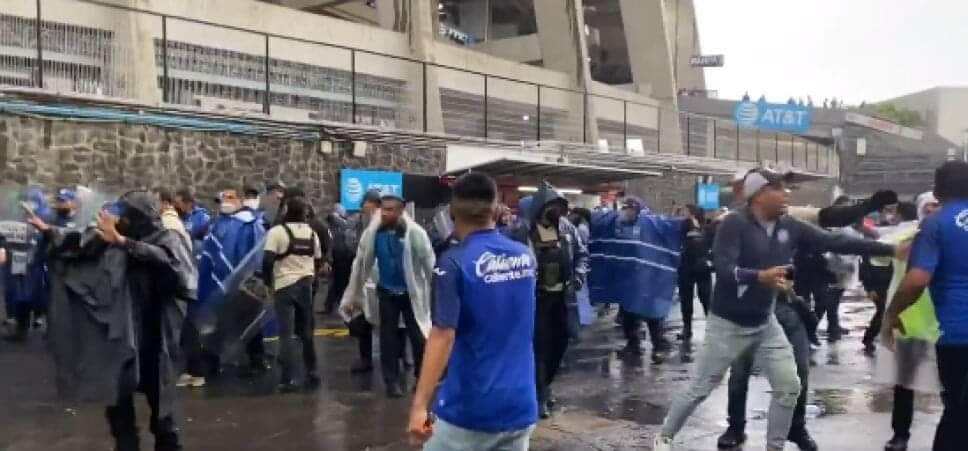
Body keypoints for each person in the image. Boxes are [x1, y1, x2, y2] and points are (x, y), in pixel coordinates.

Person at [655, 168, 899, 451]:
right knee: (703, 386)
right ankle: (665, 438)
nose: (786, 194)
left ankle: (776, 445)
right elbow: (723, 270)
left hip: (765, 321)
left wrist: (890, 249)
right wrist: (759, 276)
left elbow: (835, 239)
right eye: (779, 189)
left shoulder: (790, 224)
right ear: (758, 194)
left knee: (789, 385)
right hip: (728, 324)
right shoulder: (732, 224)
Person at [34, 191, 196, 451]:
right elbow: (80, 243)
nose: (121, 223)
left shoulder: (167, 238)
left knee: (161, 408)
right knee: (118, 399)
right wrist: (50, 231)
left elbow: (179, 274)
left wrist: (125, 242)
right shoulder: (111, 237)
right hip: (122, 329)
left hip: (156, 334)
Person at [407, 173, 538, 451]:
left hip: (468, 412)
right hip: (521, 406)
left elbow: (442, 335)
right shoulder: (525, 256)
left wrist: (420, 408)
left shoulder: (453, 263)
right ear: (497, 208)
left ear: (452, 212)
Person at [882, 161, 968, 451]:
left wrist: (891, 314)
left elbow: (917, 279)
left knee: (957, 413)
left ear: (938, 190)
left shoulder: (936, 224)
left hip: (958, 335)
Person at [505, 182, 588, 419]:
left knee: (559, 345)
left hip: (563, 299)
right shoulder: (521, 231)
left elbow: (582, 254)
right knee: (539, 348)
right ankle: (540, 394)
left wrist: (579, 275)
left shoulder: (567, 229)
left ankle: (546, 384)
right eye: (552, 206)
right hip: (536, 300)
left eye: (559, 207)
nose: (556, 212)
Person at [340, 193, 435, 398]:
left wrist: (436, 294)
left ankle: (421, 377)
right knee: (387, 338)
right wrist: (353, 295)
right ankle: (391, 382)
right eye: (384, 209)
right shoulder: (373, 233)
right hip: (386, 292)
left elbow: (429, 265)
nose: (385, 213)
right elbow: (361, 264)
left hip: (411, 294)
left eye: (391, 209)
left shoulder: (415, 234)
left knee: (419, 337)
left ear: (401, 211)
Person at [871, 194, 940, 451]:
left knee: (952, 383)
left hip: (944, 318)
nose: (933, 209)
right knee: (904, 382)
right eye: (928, 206)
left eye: (938, 205)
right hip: (907, 318)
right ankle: (900, 435)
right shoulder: (908, 234)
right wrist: (902, 246)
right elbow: (877, 256)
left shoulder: (953, 234)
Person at [197, 189, 268, 376]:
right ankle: (213, 361)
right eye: (222, 198)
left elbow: (258, 254)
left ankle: (256, 361)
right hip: (219, 282)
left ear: (240, 200)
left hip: (244, 283)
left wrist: (256, 277)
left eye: (230, 198)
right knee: (218, 324)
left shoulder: (250, 224)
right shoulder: (216, 224)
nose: (225, 202)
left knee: (248, 322)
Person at [263, 196, 322, 392]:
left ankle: (288, 379)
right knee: (306, 332)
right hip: (306, 283)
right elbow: (318, 259)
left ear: (287, 210)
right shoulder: (311, 233)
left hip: (284, 285)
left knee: (286, 333)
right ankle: (312, 371)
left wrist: (267, 281)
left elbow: (268, 260)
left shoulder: (277, 232)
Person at [612, 196, 671, 362]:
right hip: (629, 279)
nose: (626, 212)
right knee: (628, 316)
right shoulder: (622, 227)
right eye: (625, 208)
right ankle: (633, 345)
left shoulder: (649, 226)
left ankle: (659, 346)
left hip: (648, 279)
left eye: (629, 209)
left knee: (652, 315)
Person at [332, 191, 382, 373]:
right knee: (367, 318)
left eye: (365, 203)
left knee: (385, 320)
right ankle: (372, 359)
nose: (362, 207)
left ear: (372, 203)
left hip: (376, 277)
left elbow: (351, 240)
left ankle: (390, 358)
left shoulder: (373, 222)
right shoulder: (363, 220)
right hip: (369, 277)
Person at [1, 188, 51, 342]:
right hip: (15, 259)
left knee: (36, 294)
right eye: (24, 200)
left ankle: (41, 321)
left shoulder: (47, 217)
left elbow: (50, 237)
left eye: (32, 200)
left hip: (35, 262)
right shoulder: (12, 215)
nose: (27, 204)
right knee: (15, 293)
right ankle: (18, 327)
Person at [678, 204, 712, 341]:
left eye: (685, 212)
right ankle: (687, 328)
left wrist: (710, 260)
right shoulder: (682, 227)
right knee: (685, 299)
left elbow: (707, 244)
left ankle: (712, 328)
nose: (683, 214)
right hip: (685, 267)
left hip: (702, 267)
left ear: (693, 213)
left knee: (706, 298)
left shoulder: (706, 228)